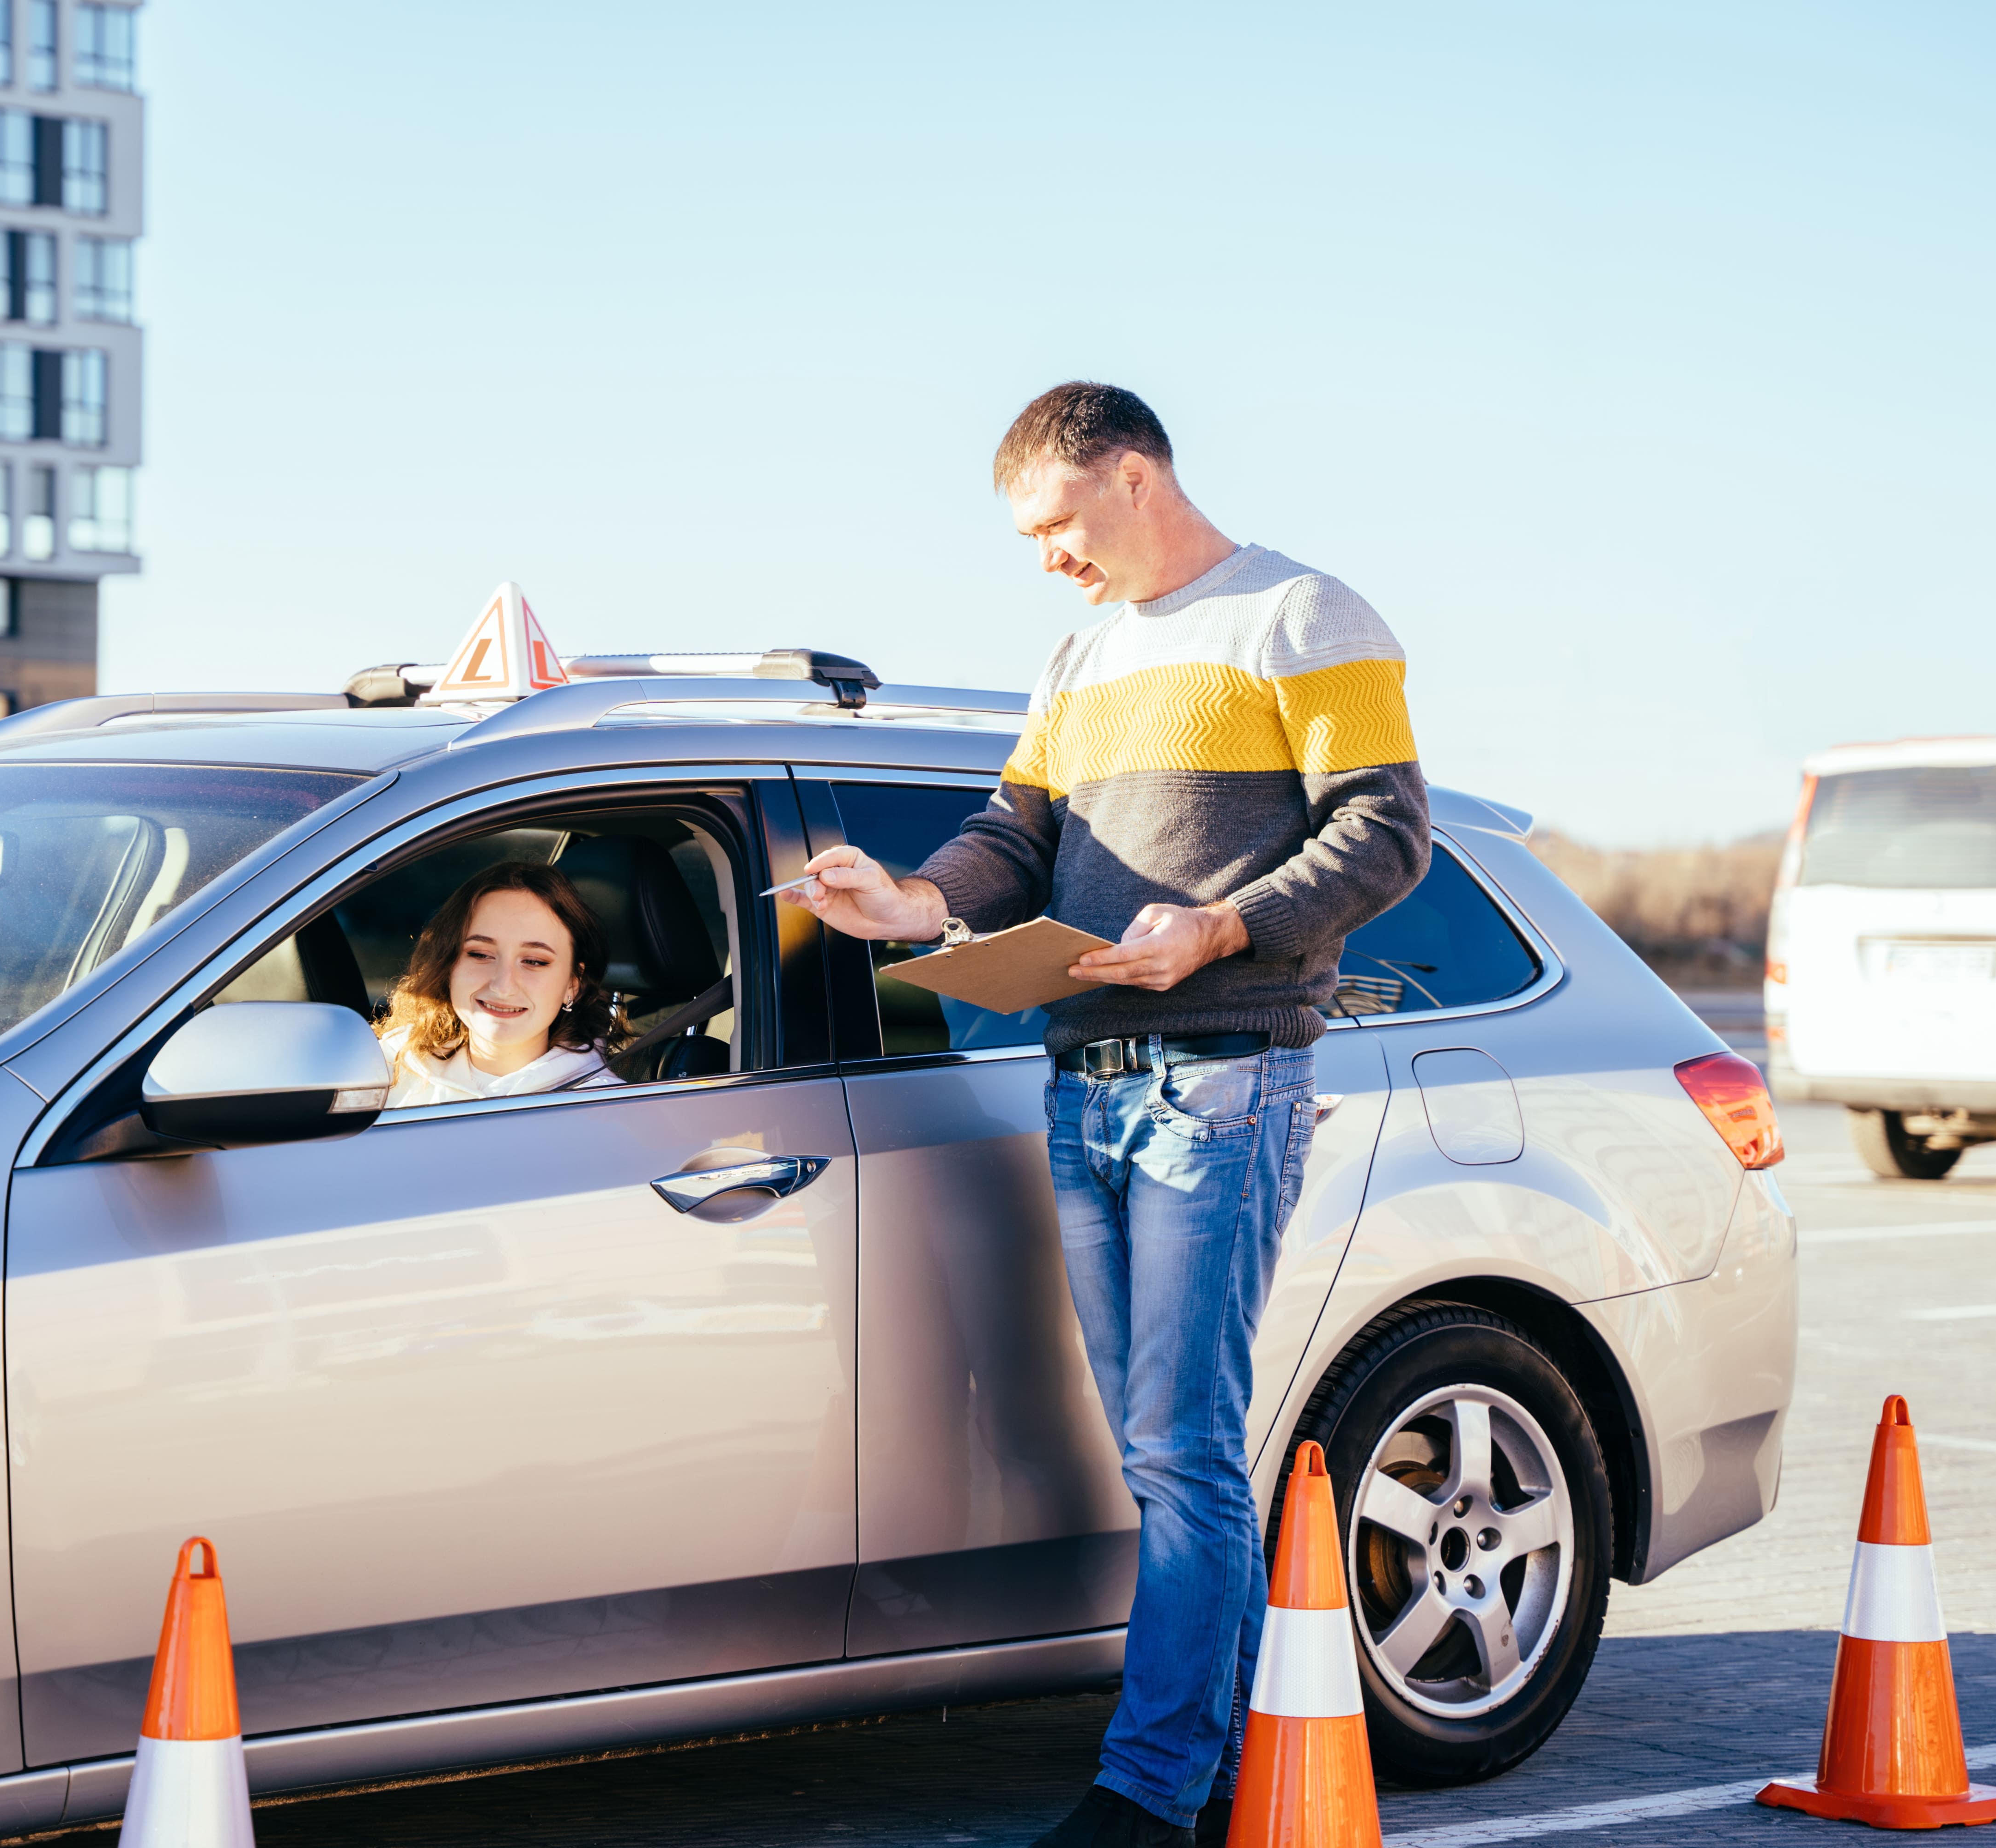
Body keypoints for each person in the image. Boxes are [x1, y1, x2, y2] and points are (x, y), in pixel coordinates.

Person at [782, 382, 1433, 1848]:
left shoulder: (1302, 615)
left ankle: (1147, 1794)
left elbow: (1385, 829)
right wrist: (916, 900)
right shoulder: (1077, 656)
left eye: (1056, 524)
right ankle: (1252, 1765)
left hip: (1222, 1071)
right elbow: (1017, 834)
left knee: (1182, 1443)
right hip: (1084, 1084)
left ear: (1133, 476)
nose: (1045, 559)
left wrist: (1217, 930)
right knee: (1158, 1448)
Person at [377, 862, 622, 1105]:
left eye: (534, 961)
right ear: (448, 965)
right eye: (480, 955)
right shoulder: (383, 1069)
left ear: (572, 984)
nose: (502, 986)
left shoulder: (607, 1109)